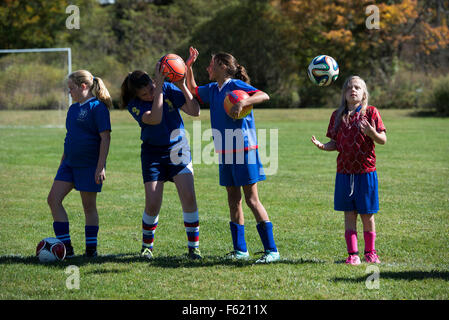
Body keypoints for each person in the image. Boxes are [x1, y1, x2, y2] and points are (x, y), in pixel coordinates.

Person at [185, 47, 280, 263]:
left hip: (244, 150)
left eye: (211, 64)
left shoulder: (235, 85)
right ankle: (240, 250)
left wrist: (244, 101)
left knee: (251, 200)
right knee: (233, 200)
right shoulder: (213, 89)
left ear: (224, 67)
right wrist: (189, 65)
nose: (208, 67)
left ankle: (272, 250)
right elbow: (192, 88)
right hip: (225, 151)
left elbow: (264, 95)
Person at [120, 62, 202, 260]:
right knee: (153, 203)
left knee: (189, 197)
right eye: (145, 94)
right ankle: (147, 246)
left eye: (150, 88)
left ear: (152, 80)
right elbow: (155, 118)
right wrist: (158, 91)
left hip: (178, 148)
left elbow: (195, 111)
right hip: (153, 154)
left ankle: (194, 248)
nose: (149, 94)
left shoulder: (167, 87)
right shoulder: (135, 105)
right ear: (137, 97)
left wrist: (181, 84)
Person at [311, 75, 387, 265]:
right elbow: (335, 143)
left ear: (364, 94)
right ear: (344, 93)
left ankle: (370, 252)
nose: (353, 90)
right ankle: (353, 254)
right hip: (344, 172)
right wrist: (323, 146)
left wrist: (371, 133)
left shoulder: (371, 112)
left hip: (366, 172)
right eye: (349, 88)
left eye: (357, 88)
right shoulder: (337, 116)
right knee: (349, 214)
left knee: (367, 214)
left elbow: (383, 139)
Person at [47, 70, 112, 258]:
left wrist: (101, 166)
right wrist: (62, 162)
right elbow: (70, 138)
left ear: (83, 86)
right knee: (53, 200)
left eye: (71, 88)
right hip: (68, 164)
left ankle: (91, 250)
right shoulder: (73, 109)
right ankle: (66, 248)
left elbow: (105, 138)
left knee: (88, 207)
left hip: (90, 165)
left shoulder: (98, 108)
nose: (69, 92)